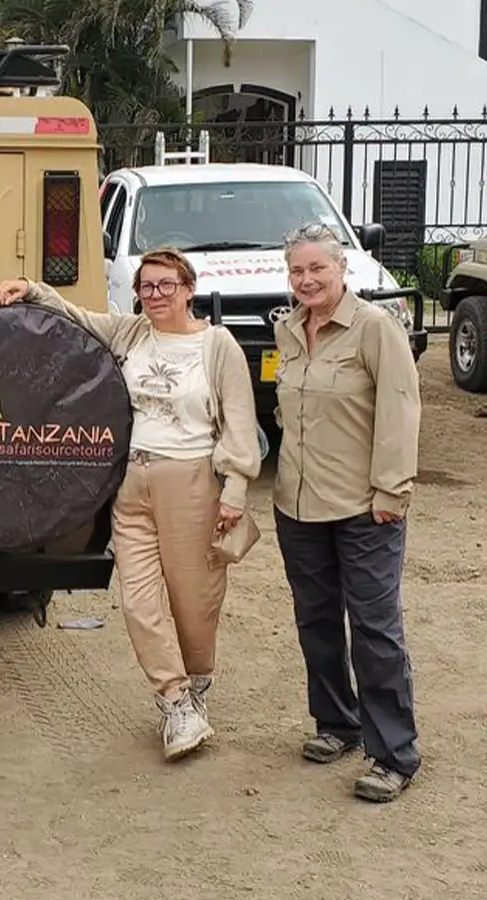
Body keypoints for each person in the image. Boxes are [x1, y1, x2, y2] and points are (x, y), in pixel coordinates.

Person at [0, 248, 261, 761]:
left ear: (188, 288)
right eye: (147, 287)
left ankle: (196, 680)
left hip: (191, 479)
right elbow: (78, 320)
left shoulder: (217, 345)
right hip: (131, 481)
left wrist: (236, 489)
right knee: (138, 600)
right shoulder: (133, 332)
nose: (156, 295)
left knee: (193, 599)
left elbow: (241, 421)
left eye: (166, 285)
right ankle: (175, 700)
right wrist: (32, 289)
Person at [272, 222, 422, 803]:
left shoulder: (373, 329)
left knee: (375, 630)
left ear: (342, 270)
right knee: (316, 622)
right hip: (298, 504)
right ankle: (337, 723)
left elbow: (401, 409)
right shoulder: (289, 330)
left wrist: (393, 490)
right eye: (297, 270)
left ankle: (394, 754)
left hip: (365, 508)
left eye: (318, 269)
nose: (307, 280)